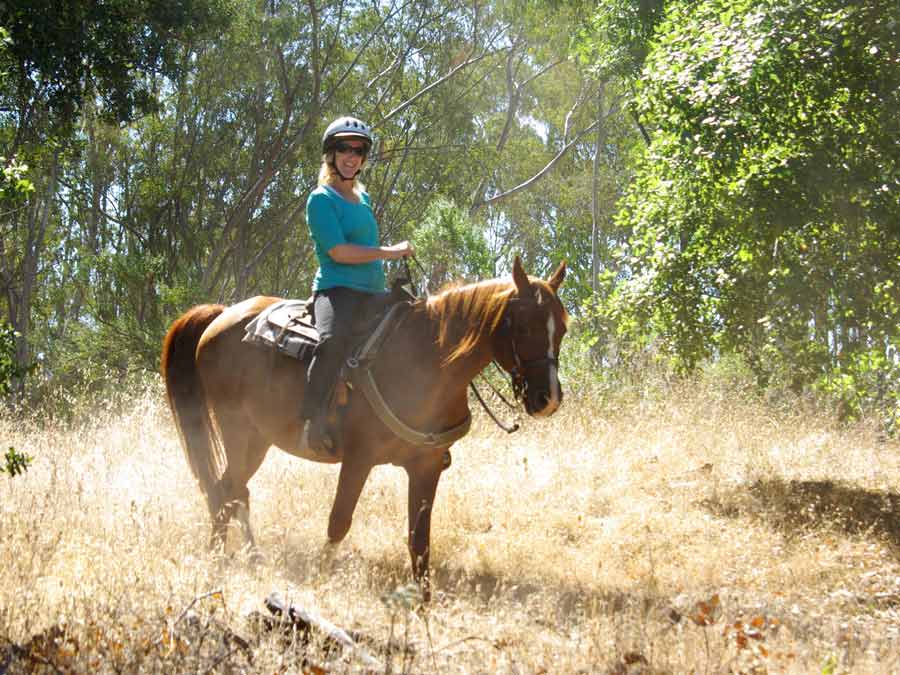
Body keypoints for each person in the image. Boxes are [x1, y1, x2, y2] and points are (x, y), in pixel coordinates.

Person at [302, 116, 413, 453]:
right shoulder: (321, 199)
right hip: (336, 292)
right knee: (332, 343)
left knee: (418, 331)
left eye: (358, 150)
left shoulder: (361, 200)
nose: (351, 156)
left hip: (372, 293)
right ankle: (312, 421)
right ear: (330, 155)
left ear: (364, 158)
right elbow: (339, 251)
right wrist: (390, 252)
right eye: (343, 149)